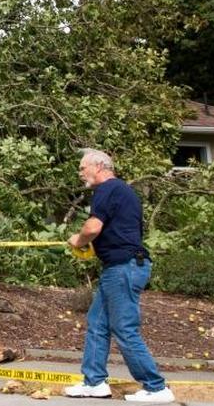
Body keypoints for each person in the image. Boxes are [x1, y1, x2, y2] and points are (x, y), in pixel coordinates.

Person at [63, 149, 174, 403]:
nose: (80, 173)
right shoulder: (122, 191)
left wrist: (77, 240)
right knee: (98, 324)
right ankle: (94, 383)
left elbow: (93, 227)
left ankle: (157, 388)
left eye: (83, 168)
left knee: (125, 328)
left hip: (124, 267)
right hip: (119, 267)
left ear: (99, 167)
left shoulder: (106, 189)